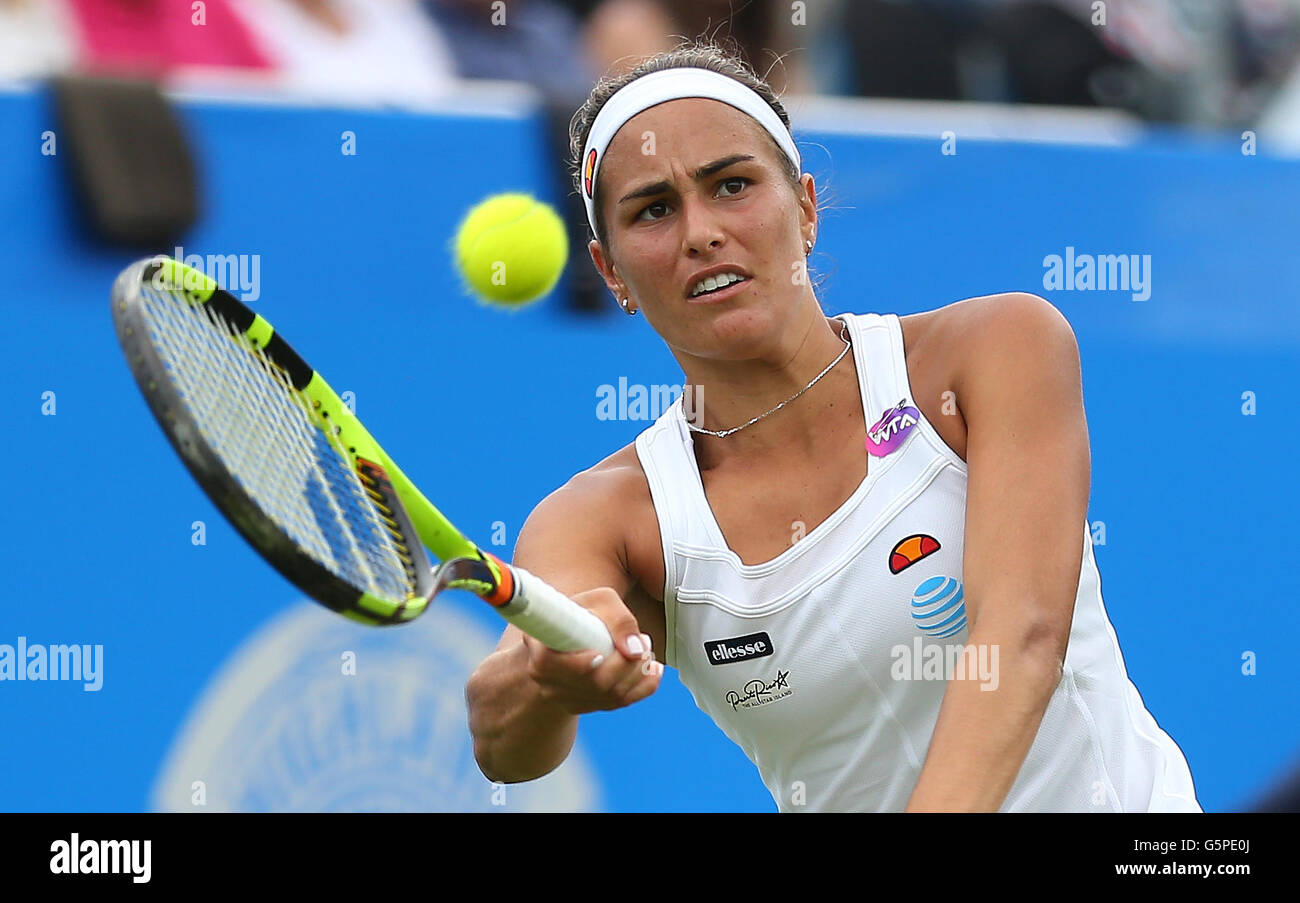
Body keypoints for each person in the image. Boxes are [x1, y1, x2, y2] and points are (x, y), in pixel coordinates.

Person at [464, 40, 1202, 812]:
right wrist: (546, 674)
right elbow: (503, 740)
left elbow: (1020, 638)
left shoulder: (997, 349)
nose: (700, 232)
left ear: (806, 207)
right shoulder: (605, 518)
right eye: (653, 208)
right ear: (612, 272)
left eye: (732, 185)